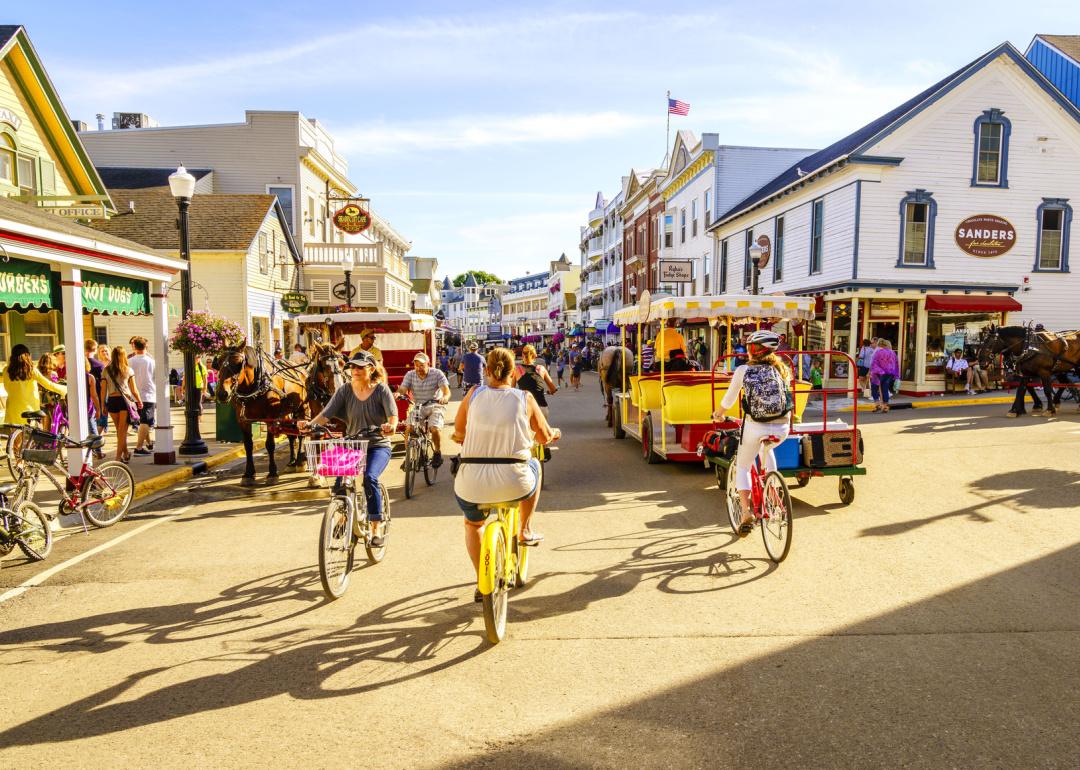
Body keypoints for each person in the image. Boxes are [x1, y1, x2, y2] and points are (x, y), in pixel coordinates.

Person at [452, 347, 561, 602]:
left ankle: (482, 579)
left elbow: (459, 432)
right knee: (534, 463)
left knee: (473, 524)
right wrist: (553, 434)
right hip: (515, 482)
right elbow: (544, 437)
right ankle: (524, 528)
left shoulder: (473, 394)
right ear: (514, 374)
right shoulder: (525, 398)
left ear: (486, 372)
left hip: (472, 483)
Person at [299, 351, 397, 547]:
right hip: (352, 443)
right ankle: (344, 517)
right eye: (352, 367)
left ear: (371, 368)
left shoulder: (381, 390)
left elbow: (392, 416)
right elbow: (326, 414)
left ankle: (376, 526)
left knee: (370, 478)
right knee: (340, 483)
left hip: (377, 445)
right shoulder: (344, 390)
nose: (355, 370)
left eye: (360, 367)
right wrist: (310, 424)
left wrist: (390, 426)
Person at [710, 330, 792, 536]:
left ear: (753, 350)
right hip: (782, 427)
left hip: (756, 426)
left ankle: (746, 513)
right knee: (768, 447)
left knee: (744, 466)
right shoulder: (782, 369)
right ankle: (773, 489)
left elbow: (729, 400)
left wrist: (718, 415)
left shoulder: (743, 370)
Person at [397, 352, 451, 468]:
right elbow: (403, 388)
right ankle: (408, 456)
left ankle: (437, 453)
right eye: (416, 365)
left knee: (434, 428)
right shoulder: (410, 374)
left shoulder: (437, 373)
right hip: (419, 406)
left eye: (421, 365)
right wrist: (398, 393)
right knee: (409, 427)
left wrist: (445, 397)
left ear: (428, 364)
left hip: (435, 405)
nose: (419, 368)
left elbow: (446, 391)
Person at [2, 344, 67, 426]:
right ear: (27, 356)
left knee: (16, 435)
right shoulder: (31, 370)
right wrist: (65, 389)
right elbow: (48, 385)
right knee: (32, 435)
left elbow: (7, 388)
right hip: (30, 409)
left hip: (12, 408)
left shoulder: (6, 370)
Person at [100, 346, 142, 463]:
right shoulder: (128, 370)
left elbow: (103, 390)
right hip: (125, 401)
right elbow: (134, 390)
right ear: (124, 356)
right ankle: (118, 458)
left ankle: (126, 453)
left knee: (119, 431)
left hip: (112, 401)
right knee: (122, 431)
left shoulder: (106, 370)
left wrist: (103, 405)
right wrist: (139, 401)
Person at [128, 337, 157, 456]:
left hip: (133, 395)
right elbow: (155, 377)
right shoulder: (151, 361)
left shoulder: (129, 361)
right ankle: (139, 448)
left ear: (134, 346)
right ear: (146, 346)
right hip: (148, 394)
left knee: (143, 422)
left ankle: (149, 443)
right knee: (146, 421)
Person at [513, 344, 557, 417]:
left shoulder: (517, 369)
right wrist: (551, 392)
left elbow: (512, 389)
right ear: (535, 356)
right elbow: (553, 388)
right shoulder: (541, 369)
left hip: (526, 408)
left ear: (522, 355)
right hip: (541, 408)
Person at [870, 339, 900, 413]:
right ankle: (885, 406)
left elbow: (874, 363)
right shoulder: (893, 353)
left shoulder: (878, 352)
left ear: (880, 345)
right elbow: (896, 364)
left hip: (878, 373)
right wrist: (896, 375)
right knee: (885, 389)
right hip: (889, 373)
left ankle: (877, 404)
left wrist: (876, 371)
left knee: (874, 388)